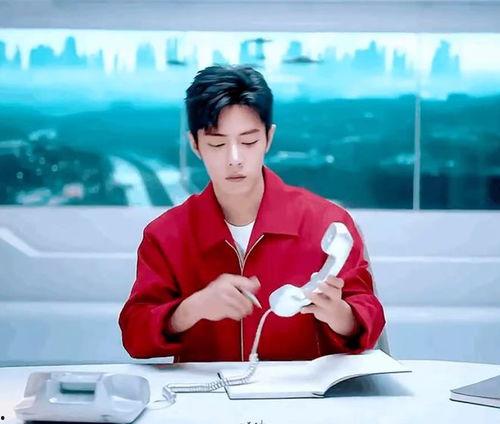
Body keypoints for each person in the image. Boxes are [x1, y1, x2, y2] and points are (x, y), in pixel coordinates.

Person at [119, 65, 385, 362]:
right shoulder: (166, 235)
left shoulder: (327, 222)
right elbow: (134, 335)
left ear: (269, 138)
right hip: (207, 391)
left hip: (303, 390)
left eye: (248, 142)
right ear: (195, 143)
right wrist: (190, 309)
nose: (234, 159)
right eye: (217, 143)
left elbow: (370, 317)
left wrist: (340, 315)